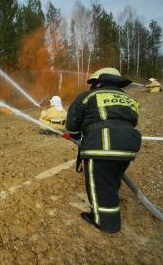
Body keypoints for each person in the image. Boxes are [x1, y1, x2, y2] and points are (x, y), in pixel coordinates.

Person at [65, 67, 142, 233]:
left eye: (93, 83)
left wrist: (75, 135)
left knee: (98, 184)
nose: (92, 86)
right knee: (111, 180)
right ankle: (110, 206)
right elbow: (133, 121)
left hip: (102, 145)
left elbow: (72, 121)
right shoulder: (128, 99)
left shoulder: (90, 96)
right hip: (129, 146)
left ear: (99, 82)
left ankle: (105, 222)